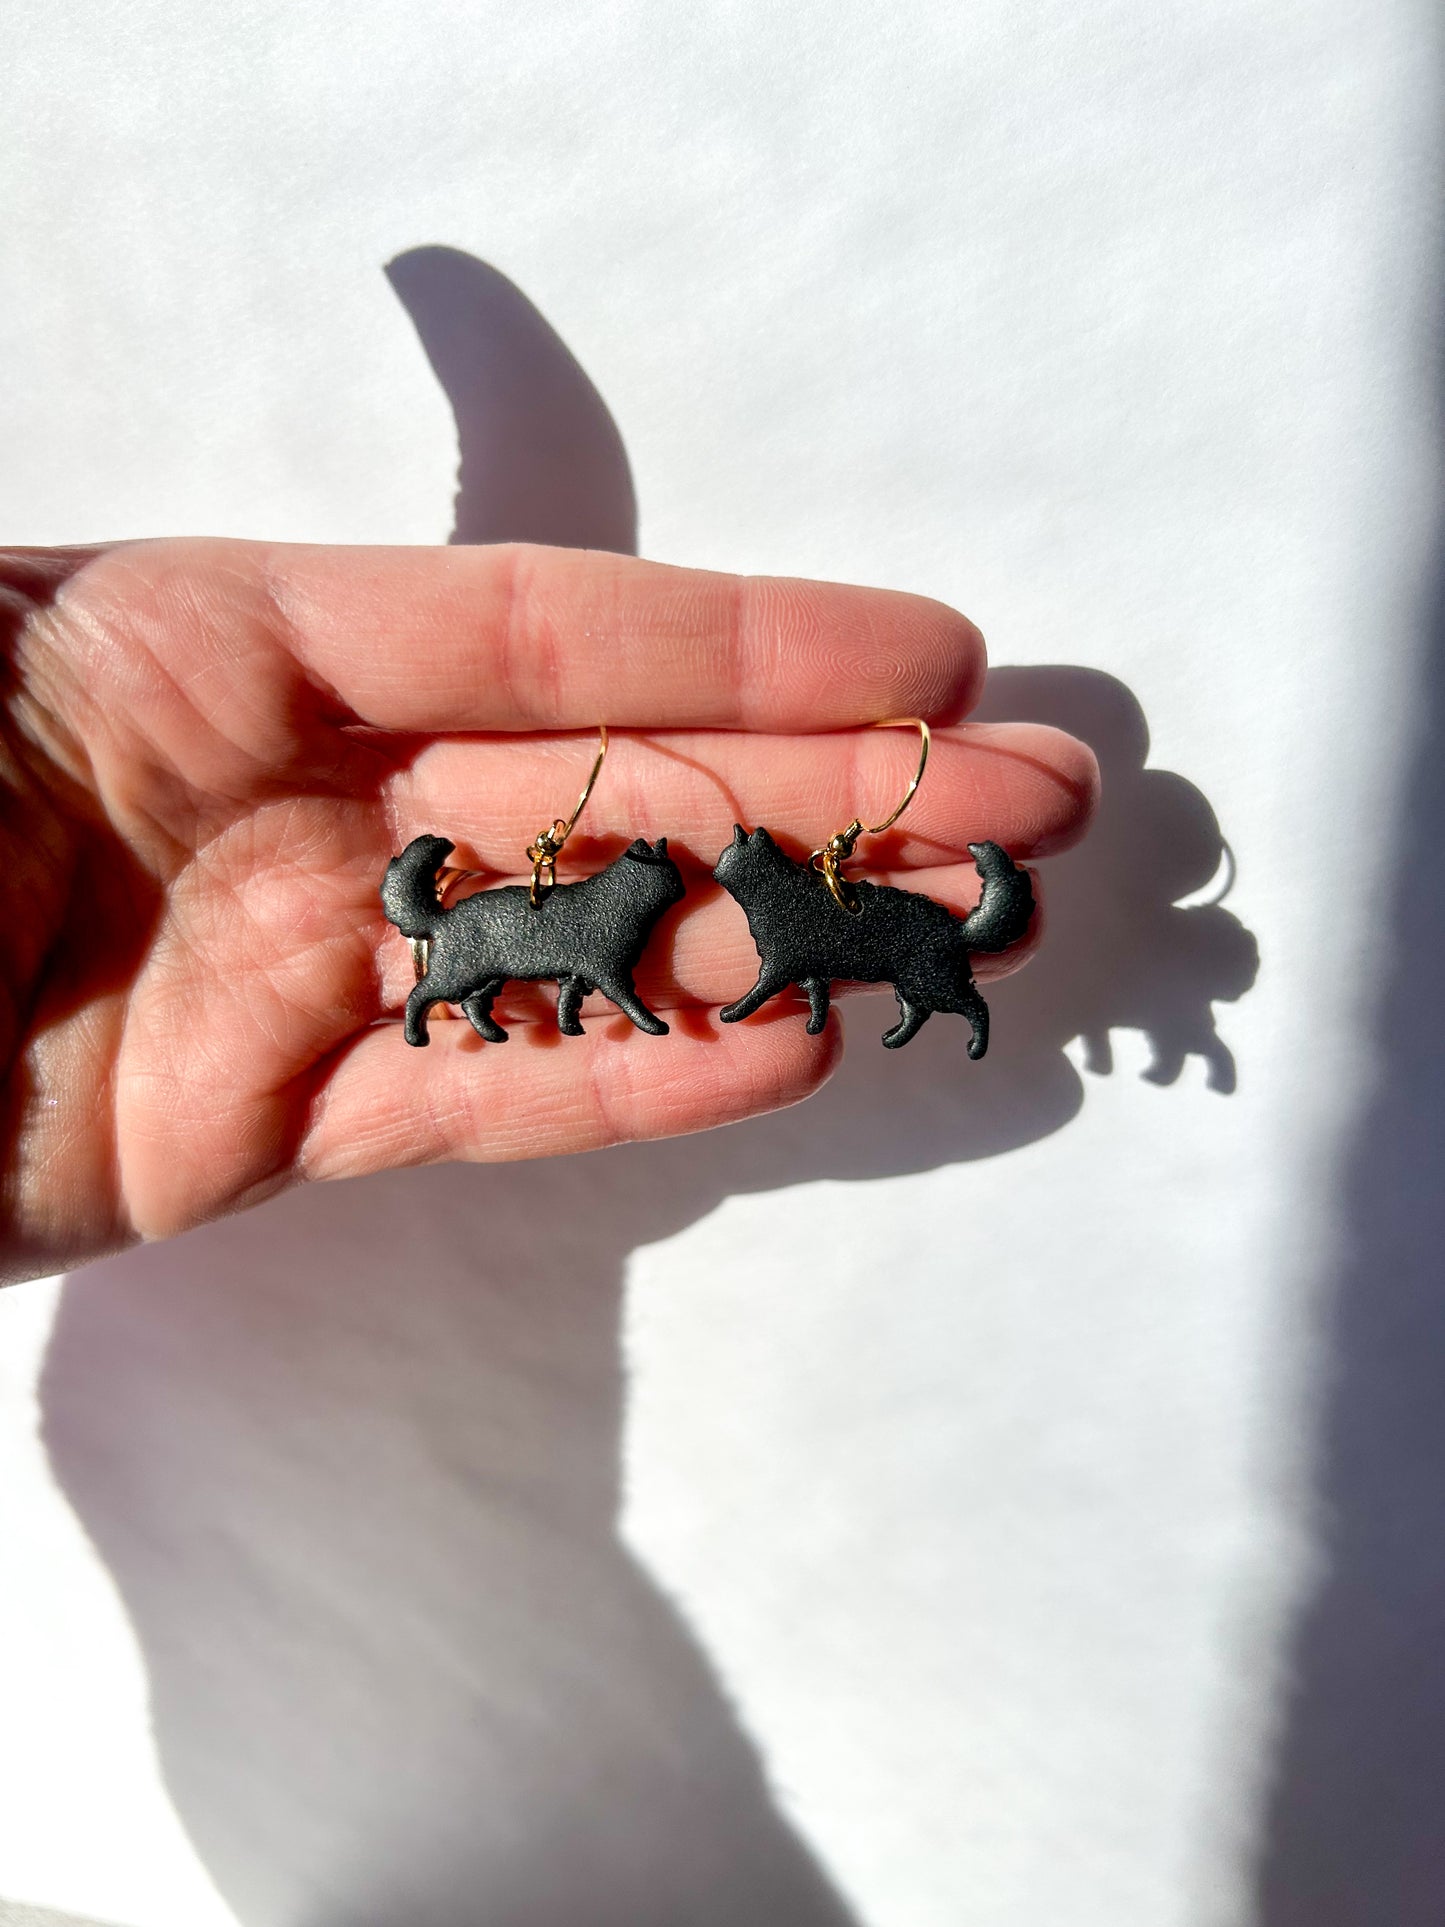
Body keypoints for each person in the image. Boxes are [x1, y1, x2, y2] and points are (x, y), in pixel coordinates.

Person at [0, 540, 1098, 1284]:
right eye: (659, 878)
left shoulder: (638, 905)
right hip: (492, 928)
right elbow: (587, 962)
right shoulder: (601, 908)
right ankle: (452, 1011)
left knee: (893, 965)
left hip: (585, 919)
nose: (678, 885)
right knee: (455, 973)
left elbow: (607, 961)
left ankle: (483, 1009)